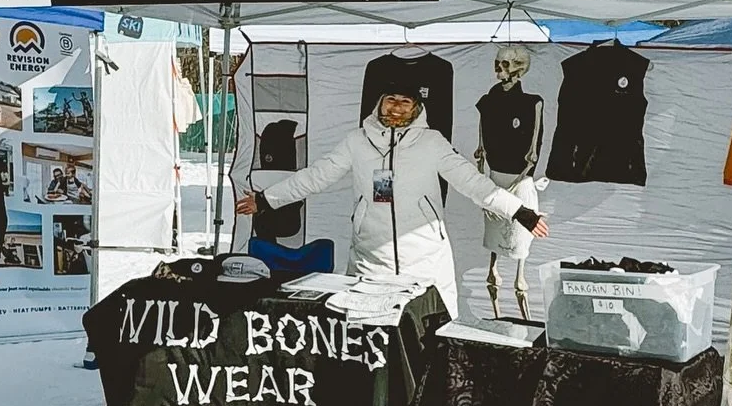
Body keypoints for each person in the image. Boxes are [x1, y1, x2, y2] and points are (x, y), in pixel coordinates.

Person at [236, 90, 550, 317]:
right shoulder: (357, 141)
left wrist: (518, 211)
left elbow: (473, 182)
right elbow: (317, 176)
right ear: (379, 103)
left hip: (425, 262)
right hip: (370, 260)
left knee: (424, 336)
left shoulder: (432, 143)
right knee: (370, 337)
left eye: (405, 101)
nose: (396, 107)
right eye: (390, 100)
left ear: (417, 108)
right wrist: (266, 199)